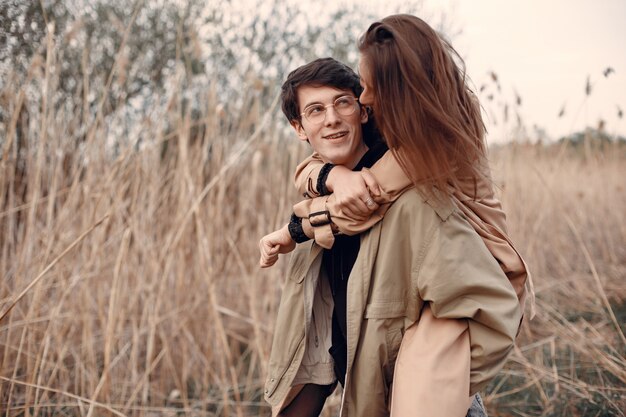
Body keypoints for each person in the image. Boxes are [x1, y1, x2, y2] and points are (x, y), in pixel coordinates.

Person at [261, 14, 530, 415]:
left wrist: (295, 227)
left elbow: (362, 201)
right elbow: (316, 172)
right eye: (315, 111)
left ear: (390, 92)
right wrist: (328, 174)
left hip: (465, 299)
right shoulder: (400, 131)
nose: (363, 97)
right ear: (299, 127)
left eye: (362, 91)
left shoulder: (427, 149)